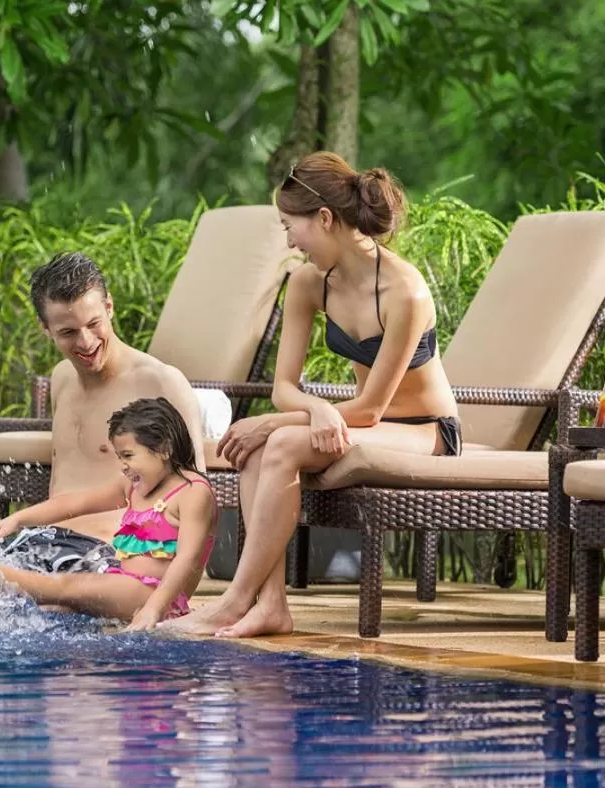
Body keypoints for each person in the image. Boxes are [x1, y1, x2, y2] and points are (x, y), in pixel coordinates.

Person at [163, 152, 461, 640]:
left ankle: (235, 600)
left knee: (273, 440)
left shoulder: (407, 292)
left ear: (324, 219)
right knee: (258, 449)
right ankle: (270, 605)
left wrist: (274, 422)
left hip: (425, 432)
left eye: (290, 226)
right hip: (362, 423)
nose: (288, 241)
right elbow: (284, 388)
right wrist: (316, 408)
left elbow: (370, 408)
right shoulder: (308, 284)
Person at [0, 251, 206, 577]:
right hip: (45, 545)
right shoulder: (61, 379)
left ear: (109, 308)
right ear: (46, 328)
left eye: (93, 324)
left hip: (110, 558)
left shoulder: (159, 382)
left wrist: (161, 586)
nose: (85, 342)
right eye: (68, 333)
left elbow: (194, 497)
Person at [0, 398, 218, 631]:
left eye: (128, 455)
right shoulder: (133, 485)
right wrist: (17, 519)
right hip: (124, 584)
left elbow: (187, 559)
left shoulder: (192, 492)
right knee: (58, 606)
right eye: (119, 456)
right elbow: (77, 502)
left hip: (158, 595)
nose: (123, 466)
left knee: (68, 586)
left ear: (164, 449)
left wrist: (154, 608)